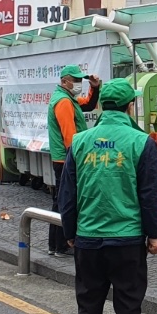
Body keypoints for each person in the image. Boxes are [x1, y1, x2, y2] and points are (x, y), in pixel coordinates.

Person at [58, 79, 157, 314]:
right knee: (128, 311)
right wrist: (154, 234)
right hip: (128, 241)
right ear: (131, 106)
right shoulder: (141, 142)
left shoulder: (80, 142)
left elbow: (67, 195)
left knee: (89, 308)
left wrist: (70, 233)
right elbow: (151, 194)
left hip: (88, 239)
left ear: (102, 105)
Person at [47, 64, 101, 257]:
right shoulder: (63, 102)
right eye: (75, 80)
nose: (78, 83)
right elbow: (70, 136)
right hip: (67, 157)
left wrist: (93, 87)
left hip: (63, 157)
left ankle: (55, 245)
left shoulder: (68, 98)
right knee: (65, 201)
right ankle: (60, 244)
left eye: (80, 80)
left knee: (60, 200)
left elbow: (87, 104)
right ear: (64, 81)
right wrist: (79, 158)